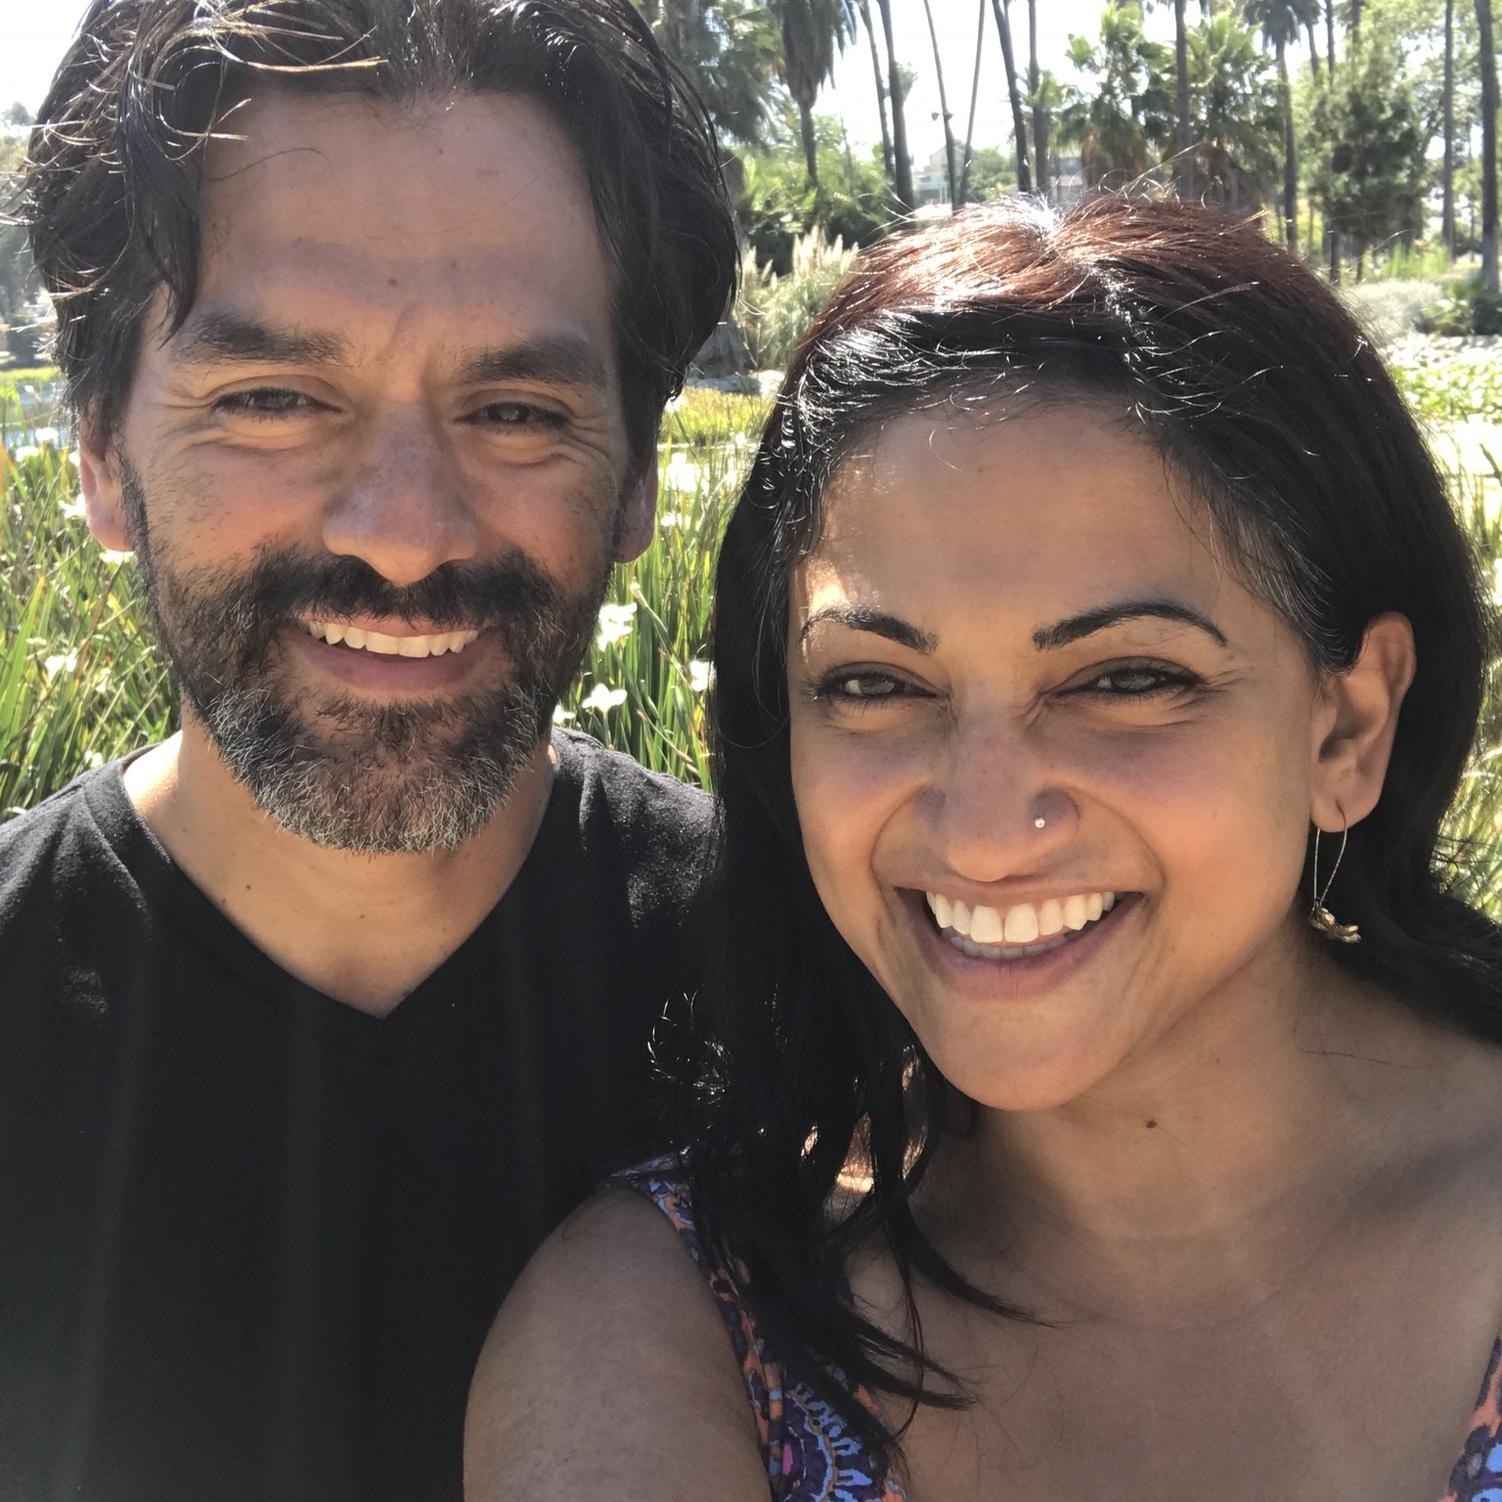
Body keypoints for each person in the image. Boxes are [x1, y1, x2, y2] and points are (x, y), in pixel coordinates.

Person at [466, 193, 1502, 1502]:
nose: (983, 829)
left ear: (1346, 728)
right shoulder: (662, 1325)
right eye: (873, 683)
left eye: (1126, 678)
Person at [0, 2, 736, 1499]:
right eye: (273, 400)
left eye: (515, 410)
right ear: (100, 456)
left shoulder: (821, 1004)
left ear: (637, 482)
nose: (404, 534)